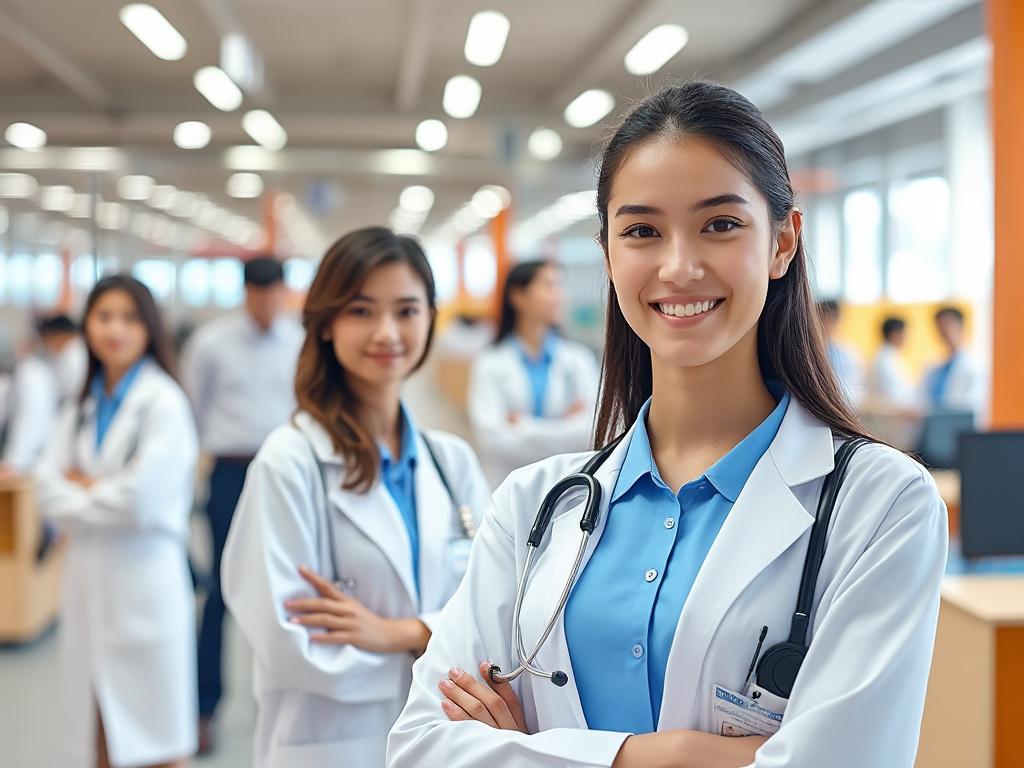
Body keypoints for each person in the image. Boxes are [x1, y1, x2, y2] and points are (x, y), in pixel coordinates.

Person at [387, 82, 947, 768]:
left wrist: (533, 750)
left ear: (782, 243)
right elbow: (421, 748)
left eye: (719, 224)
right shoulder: (532, 506)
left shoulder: (880, 504)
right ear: (609, 256)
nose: (679, 267)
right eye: (642, 231)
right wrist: (679, 753)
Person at [221, 227, 491, 768]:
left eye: (407, 310)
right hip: (333, 741)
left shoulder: (450, 461)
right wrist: (434, 647)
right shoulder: (289, 463)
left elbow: (491, 611)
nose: (387, 332)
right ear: (325, 324)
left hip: (443, 740)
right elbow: (286, 642)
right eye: (362, 311)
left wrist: (398, 633)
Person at [34, 275, 198, 768]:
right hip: (88, 582)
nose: (115, 329)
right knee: (99, 727)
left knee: (159, 734)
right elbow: (45, 489)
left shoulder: (164, 402)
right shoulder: (81, 405)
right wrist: (100, 494)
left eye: (129, 318)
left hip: (146, 581)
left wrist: (83, 489)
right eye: (104, 317)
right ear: (87, 325)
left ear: (148, 328)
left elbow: (143, 501)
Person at [181, 256, 304, 749]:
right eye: (260, 293)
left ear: (283, 291)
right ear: (247, 292)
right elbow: (193, 411)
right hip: (230, 472)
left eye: (275, 293)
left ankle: (283, 703)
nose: (268, 303)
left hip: (284, 476)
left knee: (287, 590)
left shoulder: (298, 341)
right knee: (223, 593)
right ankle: (203, 708)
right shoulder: (211, 344)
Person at [468, 260, 599, 486]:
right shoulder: (490, 362)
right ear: (518, 297)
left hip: (569, 490)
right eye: (550, 286)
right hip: (508, 487)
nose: (560, 296)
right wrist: (565, 426)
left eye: (560, 286)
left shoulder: (578, 360)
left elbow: (593, 431)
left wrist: (524, 426)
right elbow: (492, 439)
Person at [922, 306, 984, 414]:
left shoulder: (974, 365)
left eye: (948, 326)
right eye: (940, 328)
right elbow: (921, 399)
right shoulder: (934, 366)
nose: (944, 332)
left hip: (959, 426)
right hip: (933, 425)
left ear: (961, 327)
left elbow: (970, 405)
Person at [817, 299, 863, 407]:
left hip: (842, 409)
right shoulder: (808, 351)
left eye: (828, 319)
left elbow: (853, 392)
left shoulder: (848, 353)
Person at [869, 316, 916, 410]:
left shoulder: (891, 357)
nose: (907, 337)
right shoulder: (885, 361)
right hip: (893, 415)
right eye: (904, 333)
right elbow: (895, 394)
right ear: (894, 334)